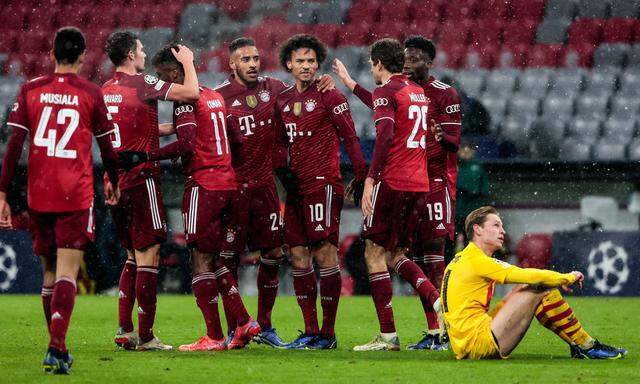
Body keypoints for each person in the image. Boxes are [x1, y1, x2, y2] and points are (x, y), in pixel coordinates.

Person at [118, 45, 262, 351]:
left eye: (161, 76)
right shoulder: (216, 97)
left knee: (200, 261)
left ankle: (212, 336)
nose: (159, 81)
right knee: (219, 260)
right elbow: (235, 138)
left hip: (203, 187)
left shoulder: (185, 103)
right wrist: (223, 166)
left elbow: (185, 145)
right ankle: (244, 322)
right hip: (228, 185)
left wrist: (147, 156)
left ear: (173, 73)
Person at [0, 27, 120, 374]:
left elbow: (13, 148)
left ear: (51, 55)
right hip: (75, 193)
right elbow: (108, 149)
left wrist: (3, 192)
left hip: (39, 193)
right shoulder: (92, 94)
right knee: (68, 271)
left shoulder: (30, 90)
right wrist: (112, 177)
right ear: (83, 57)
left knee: (49, 273)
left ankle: (56, 344)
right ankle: (57, 346)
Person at [333, 35, 461, 350]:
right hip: (419, 183)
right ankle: (435, 304)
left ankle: (391, 333)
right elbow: (388, 106)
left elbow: (386, 134)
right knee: (396, 254)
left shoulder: (390, 90)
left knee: (374, 253)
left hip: (394, 181)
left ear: (378, 64)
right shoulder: (415, 91)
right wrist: (350, 84)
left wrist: (371, 179)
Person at [213, 37, 333, 348]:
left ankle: (264, 325)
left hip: (266, 186)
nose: (252, 64)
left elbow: (303, 91)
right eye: (245, 59)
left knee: (273, 254)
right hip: (234, 189)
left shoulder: (275, 88)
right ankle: (235, 327)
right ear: (232, 64)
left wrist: (322, 81)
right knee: (229, 259)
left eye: (255, 58)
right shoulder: (219, 97)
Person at [102, 31, 199, 351]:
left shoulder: (106, 89)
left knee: (131, 256)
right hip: (141, 179)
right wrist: (187, 61)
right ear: (131, 54)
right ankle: (145, 336)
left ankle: (124, 328)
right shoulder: (142, 83)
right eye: (141, 50)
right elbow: (192, 93)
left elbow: (117, 130)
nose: (144, 55)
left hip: (114, 182)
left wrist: (164, 129)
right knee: (149, 256)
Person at [274, 34, 368, 350]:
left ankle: (327, 333)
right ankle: (311, 330)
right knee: (298, 255)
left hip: (323, 184)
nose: (306, 66)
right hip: (295, 189)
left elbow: (351, 138)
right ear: (289, 64)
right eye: (300, 60)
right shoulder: (282, 100)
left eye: (311, 61)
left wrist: (362, 175)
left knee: (324, 252)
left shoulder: (330, 95)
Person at [442, 206, 628, 360]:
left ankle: (579, 345)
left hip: (465, 344)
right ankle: (587, 346)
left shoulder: (461, 259)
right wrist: (567, 277)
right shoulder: (478, 261)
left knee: (525, 288)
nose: (503, 231)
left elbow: (441, 305)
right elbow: (528, 275)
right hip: (479, 344)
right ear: (477, 229)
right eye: (496, 225)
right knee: (540, 287)